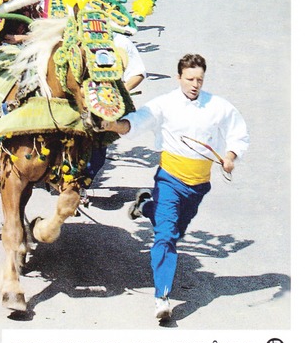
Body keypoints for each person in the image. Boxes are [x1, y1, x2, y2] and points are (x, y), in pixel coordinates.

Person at [103, 54, 249, 323]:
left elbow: (238, 133)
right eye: (190, 79)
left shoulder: (219, 106)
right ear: (179, 77)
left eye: (199, 80)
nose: (194, 84)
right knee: (166, 236)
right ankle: (162, 298)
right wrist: (116, 126)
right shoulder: (164, 104)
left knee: (175, 230)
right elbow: (137, 121)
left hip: (198, 186)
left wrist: (230, 156)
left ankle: (145, 205)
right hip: (169, 180)